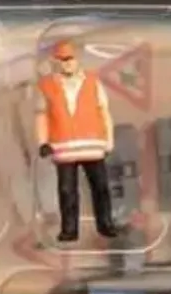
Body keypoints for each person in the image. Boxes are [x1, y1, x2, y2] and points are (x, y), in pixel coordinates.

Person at [35, 39, 117, 242]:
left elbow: (104, 111)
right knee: (66, 190)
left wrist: (109, 139)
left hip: (92, 145)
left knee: (100, 187)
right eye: (62, 60)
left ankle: (105, 224)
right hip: (63, 147)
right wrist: (43, 141)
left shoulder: (92, 81)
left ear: (77, 59)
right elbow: (41, 115)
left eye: (69, 59)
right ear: (56, 62)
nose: (67, 64)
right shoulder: (47, 85)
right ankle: (69, 229)